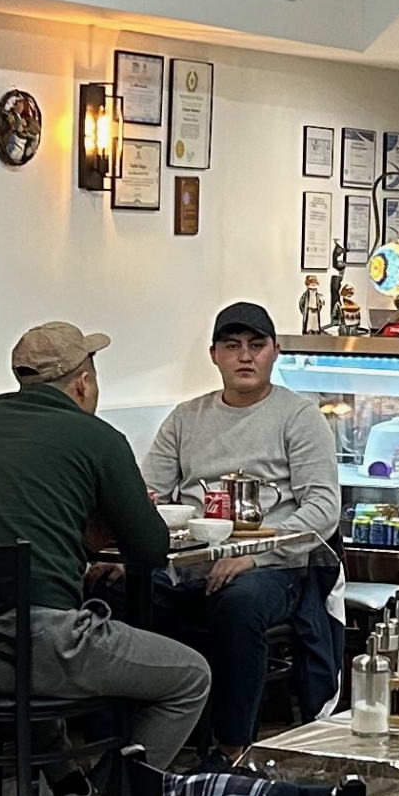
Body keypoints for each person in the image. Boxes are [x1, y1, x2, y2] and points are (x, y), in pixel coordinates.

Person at [0, 322, 214, 777]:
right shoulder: (99, 438)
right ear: (83, 382)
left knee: (39, 680)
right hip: (44, 644)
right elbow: (150, 550)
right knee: (191, 677)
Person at [139, 303, 346, 755]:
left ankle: (234, 747)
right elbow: (148, 495)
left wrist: (255, 556)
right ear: (214, 355)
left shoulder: (299, 416)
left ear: (275, 352)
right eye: (232, 347)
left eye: (256, 346)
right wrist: (130, 553)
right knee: (123, 597)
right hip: (192, 562)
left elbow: (323, 508)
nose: (245, 357)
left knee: (239, 604)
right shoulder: (185, 417)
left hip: (276, 567)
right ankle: (138, 746)